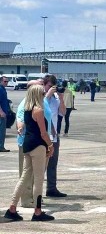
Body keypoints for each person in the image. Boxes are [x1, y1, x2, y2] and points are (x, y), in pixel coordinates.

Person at [3, 85, 55, 222]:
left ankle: (12, 208)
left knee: (24, 176)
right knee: (38, 179)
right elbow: (43, 133)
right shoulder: (38, 110)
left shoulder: (27, 109)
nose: (44, 94)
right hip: (38, 145)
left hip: (27, 144)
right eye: (42, 92)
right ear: (38, 94)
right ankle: (37, 211)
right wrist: (50, 145)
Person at [44, 75, 67, 198]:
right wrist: (48, 94)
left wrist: (61, 98)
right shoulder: (41, 96)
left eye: (53, 86)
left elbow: (62, 113)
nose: (51, 89)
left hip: (54, 135)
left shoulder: (56, 98)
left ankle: (51, 188)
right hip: (43, 134)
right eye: (49, 86)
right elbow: (41, 107)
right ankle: (35, 191)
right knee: (40, 165)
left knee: (53, 163)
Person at [0, 76, 10, 152]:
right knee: (1, 131)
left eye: (7, 81)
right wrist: (1, 112)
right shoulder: (0, 89)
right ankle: (1, 146)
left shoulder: (3, 89)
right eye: (5, 81)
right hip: (1, 114)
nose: (6, 83)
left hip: (4, 113)